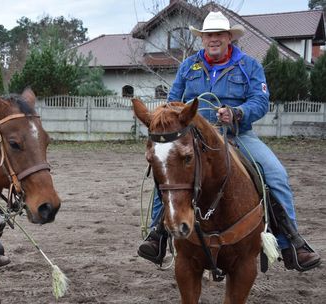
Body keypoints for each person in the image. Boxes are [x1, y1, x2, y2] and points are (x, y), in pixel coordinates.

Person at [137, 11, 321, 272]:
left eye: (218, 35)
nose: (213, 40)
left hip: (238, 135)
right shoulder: (189, 66)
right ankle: (158, 234)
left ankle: (292, 243)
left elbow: (260, 101)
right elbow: (172, 101)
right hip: (196, 139)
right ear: (202, 39)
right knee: (169, 173)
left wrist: (237, 113)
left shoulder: (249, 66)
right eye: (208, 35)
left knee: (276, 175)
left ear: (228, 37)